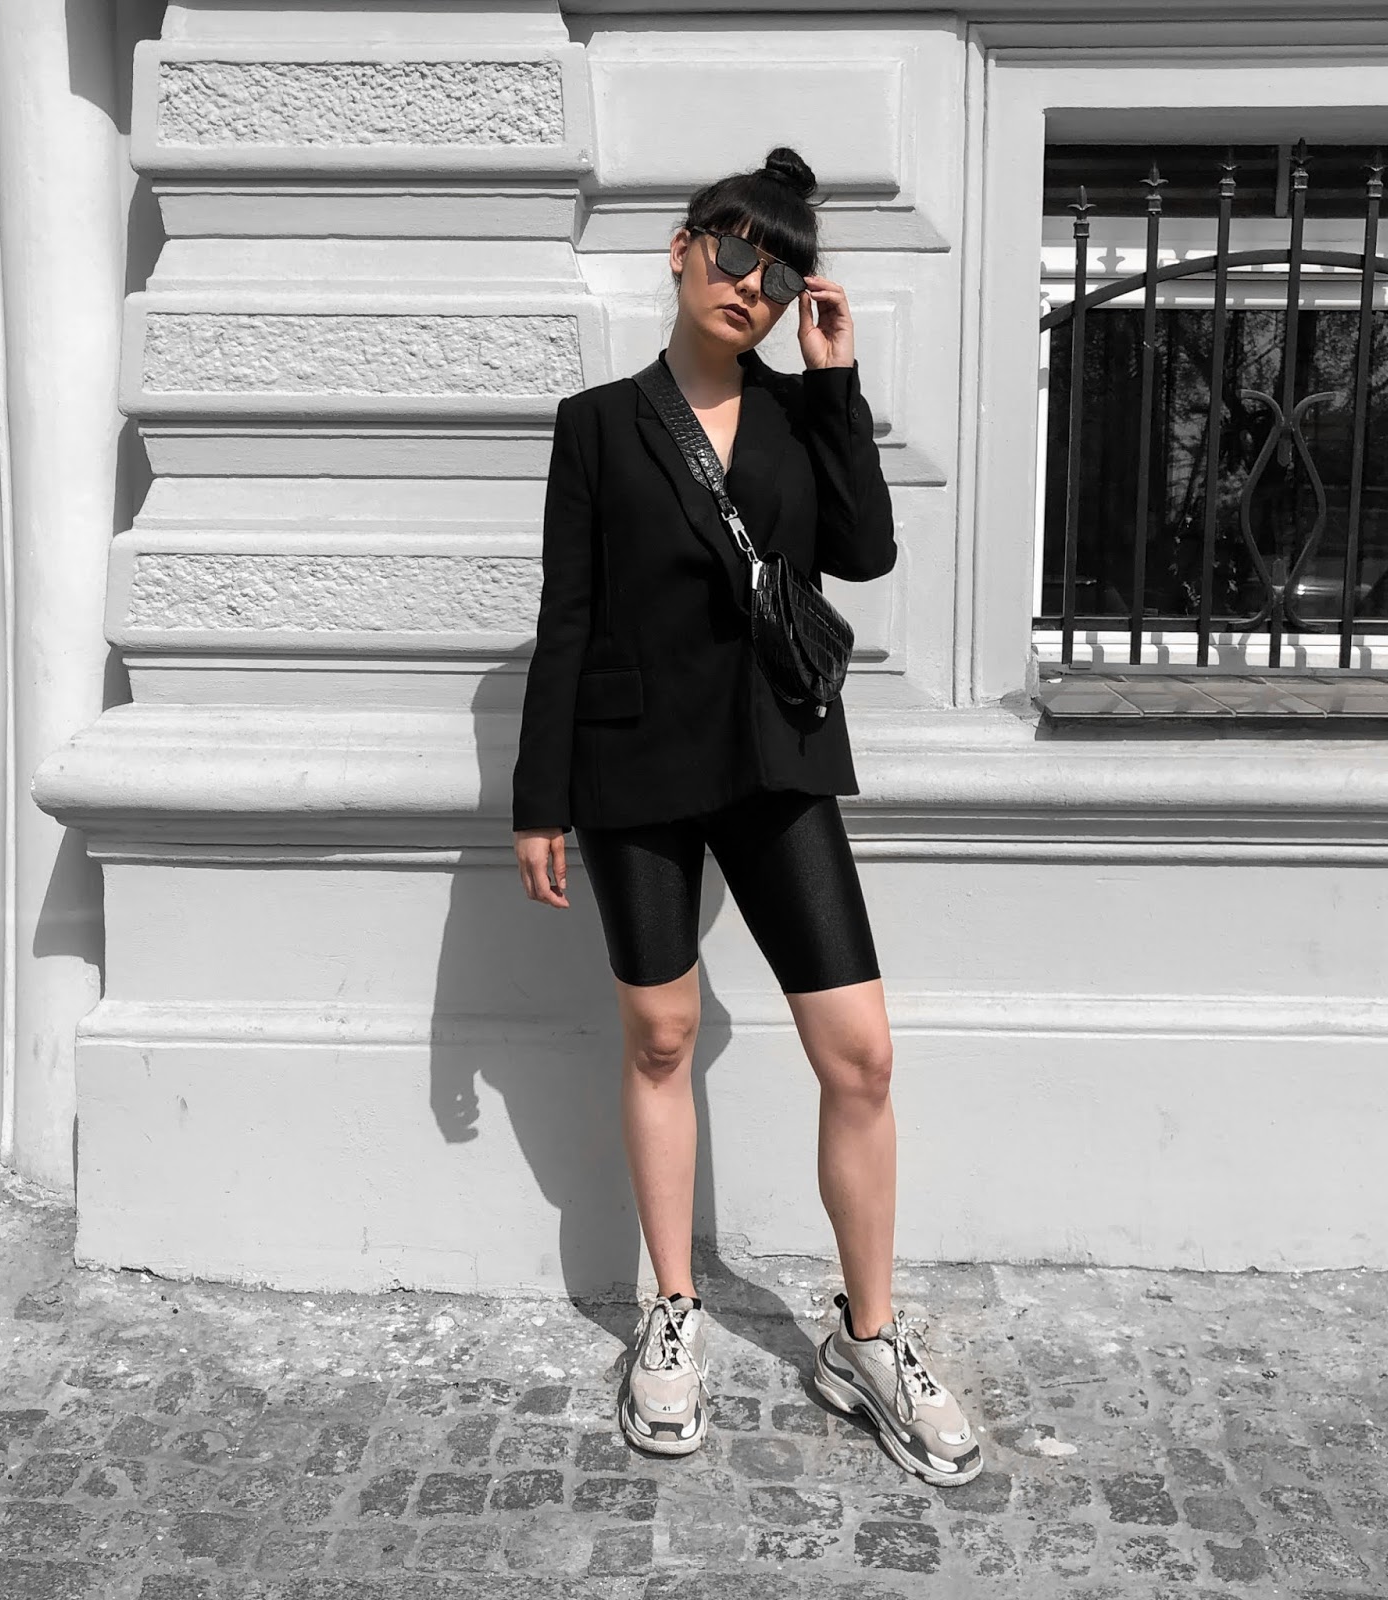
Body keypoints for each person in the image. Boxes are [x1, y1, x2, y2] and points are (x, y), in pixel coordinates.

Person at [510, 146, 981, 1487]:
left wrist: (836, 383)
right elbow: (567, 617)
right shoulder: (598, 424)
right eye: (732, 252)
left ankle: (867, 1338)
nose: (751, 285)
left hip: (777, 757)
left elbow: (866, 550)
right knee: (661, 1035)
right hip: (631, 766)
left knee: (861, 1057)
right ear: (681, 249)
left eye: (778, 273)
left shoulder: (793, 411)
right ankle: (673, 1309)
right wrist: (540, 801)